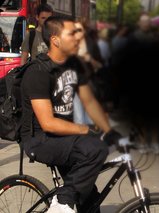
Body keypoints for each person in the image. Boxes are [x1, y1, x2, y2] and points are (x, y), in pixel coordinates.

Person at [20, 16, 119, 213]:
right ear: (55, 40)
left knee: (90, 201)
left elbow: (89, 102)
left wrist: (110, 131)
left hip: (64, 138)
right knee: (95, 148)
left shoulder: (74, 66)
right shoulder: (37, 72)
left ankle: (69, 199)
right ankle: (62, 203)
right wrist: (87, 130)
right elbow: (47, 123)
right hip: (39, 139)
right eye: (72, 33)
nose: (77, 37)